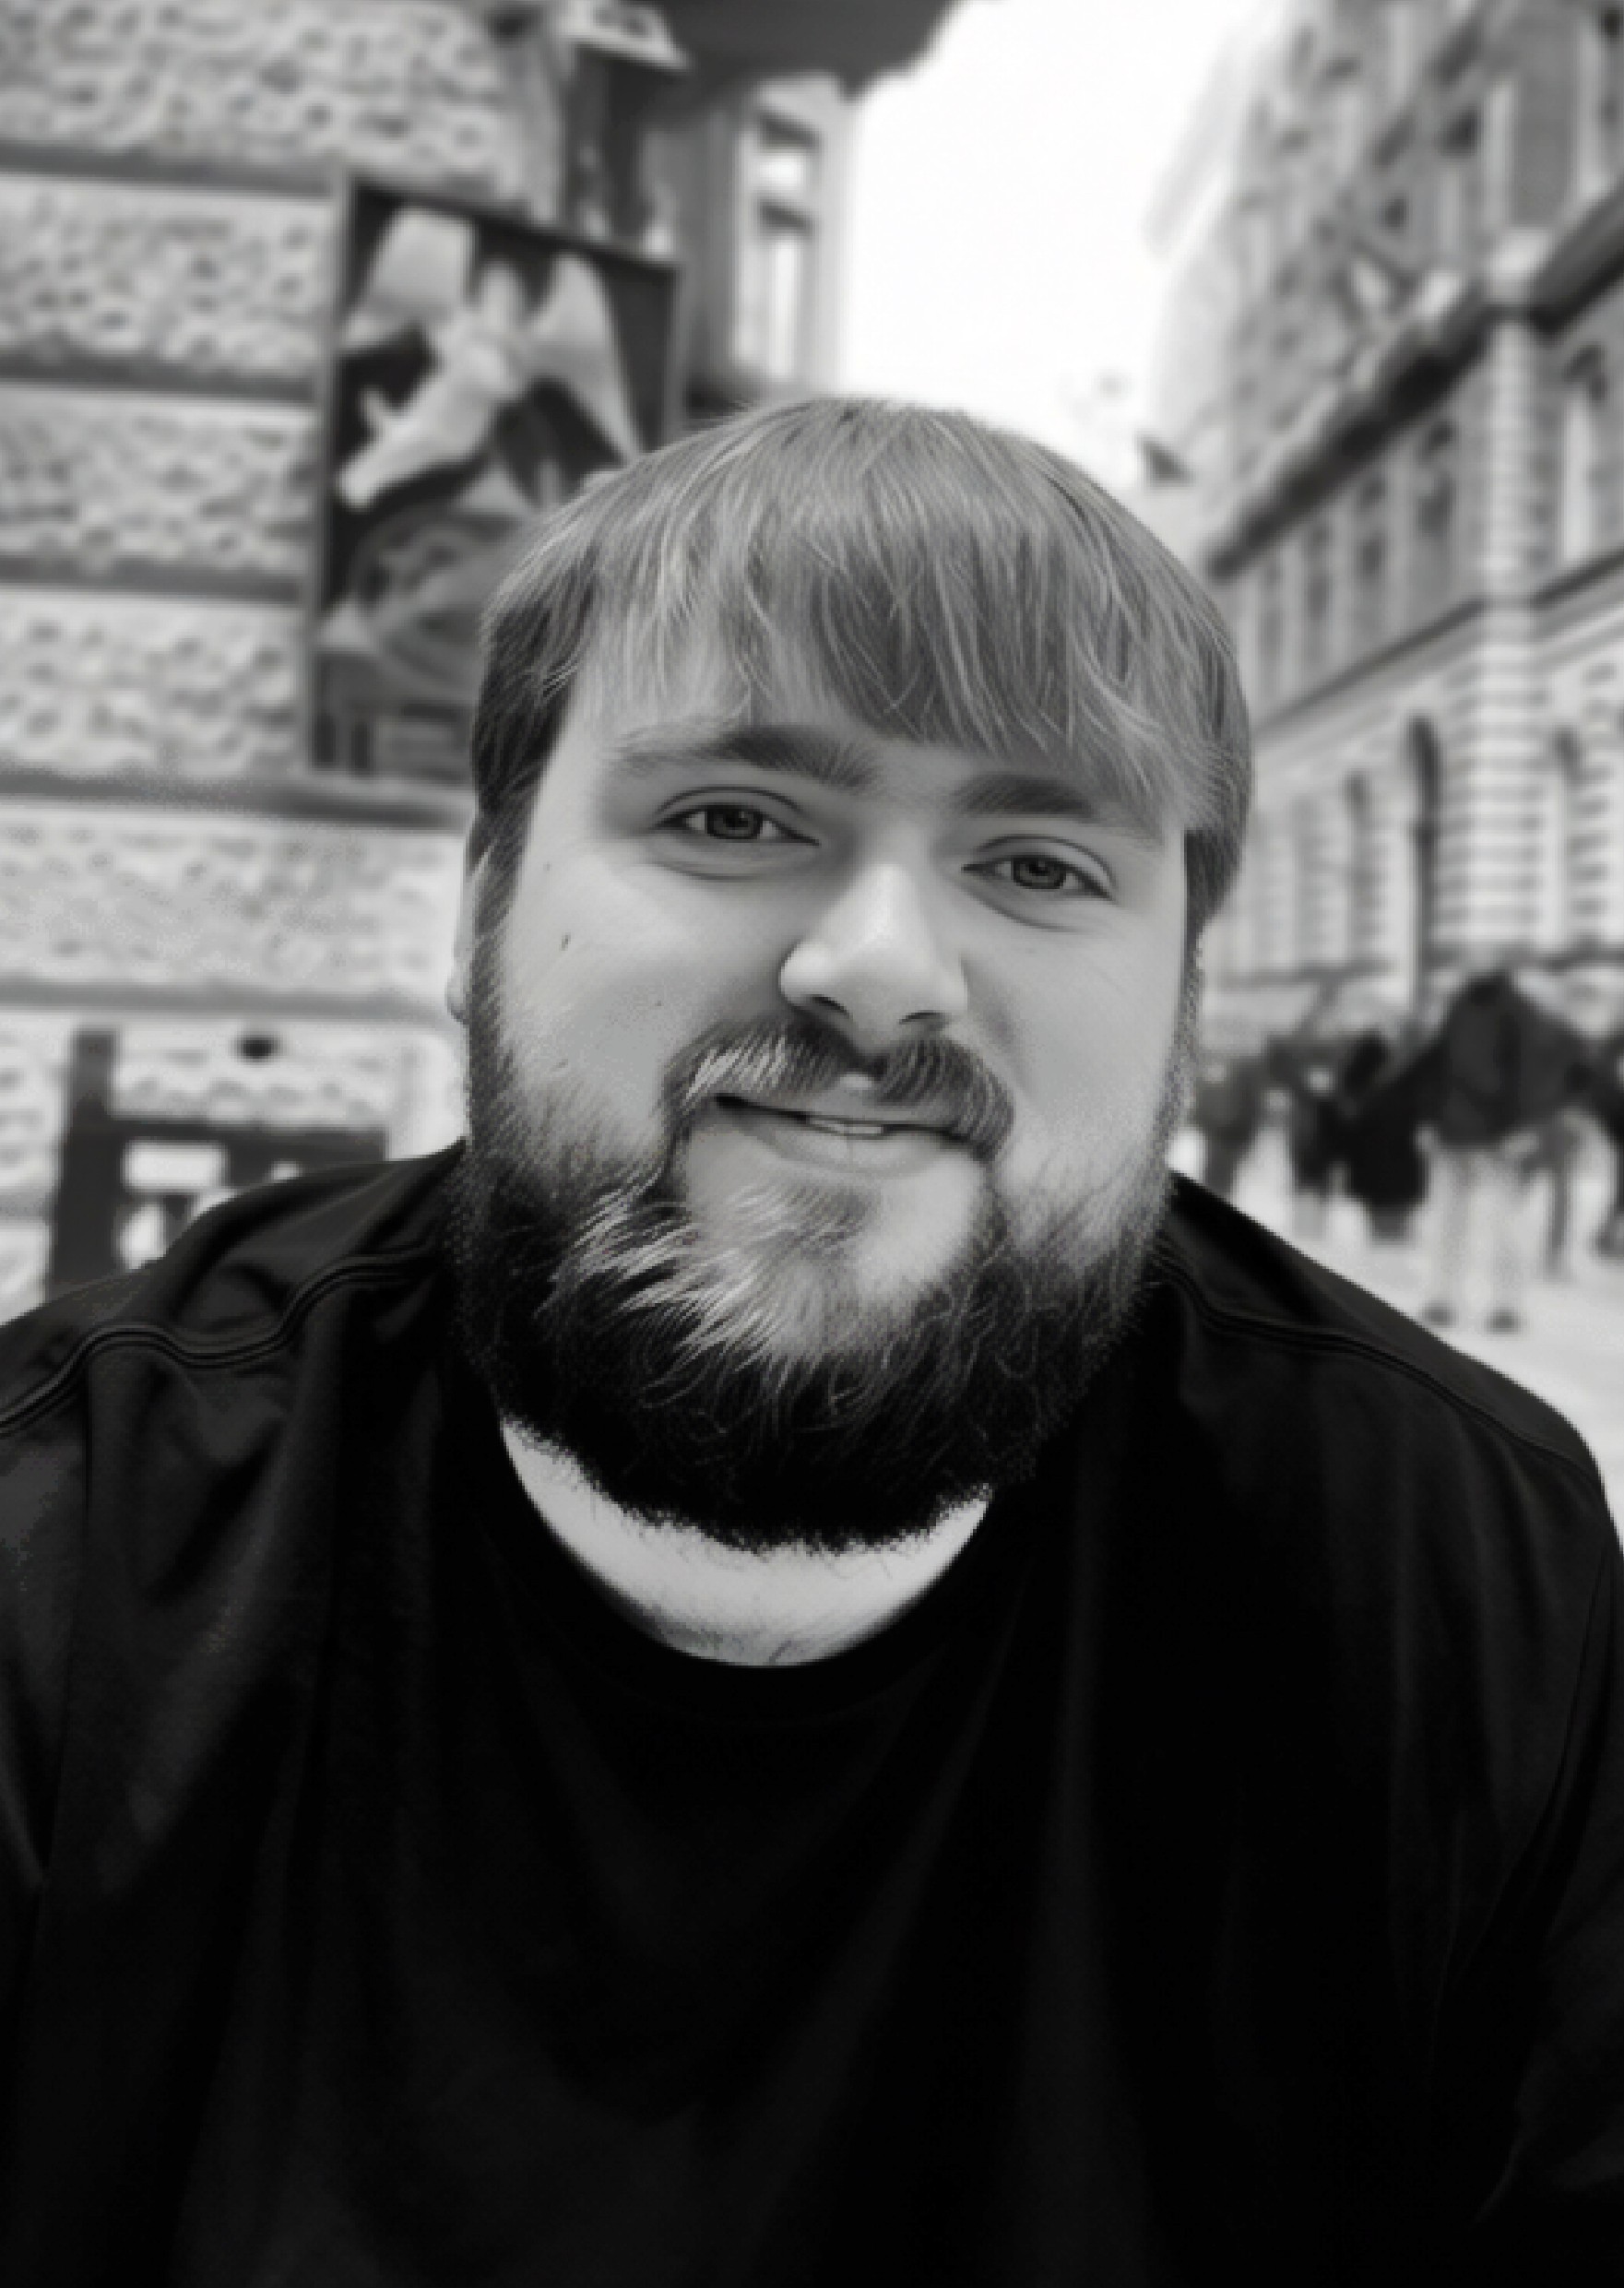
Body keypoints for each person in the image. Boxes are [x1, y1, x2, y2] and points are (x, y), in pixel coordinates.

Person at [0, 399, 1620, 2286]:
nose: (876, 962)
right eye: (731, 817)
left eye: (1036, 863)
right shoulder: (75, 1541)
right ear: (476, 913)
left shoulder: (1442, 1563)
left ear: (1185, 1011)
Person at [1414, 966, 1594, 1334]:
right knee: (1452, 1221)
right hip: (1456, 1131)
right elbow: (1438, 1066)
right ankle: (1443, 1298)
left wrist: (1523, 1128)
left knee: (1503, 1224)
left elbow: (1530, 1072)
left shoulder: (1516, 1010)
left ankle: (1505, 1304)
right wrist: (1428, 1118)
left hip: (1495, 1135)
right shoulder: (1461, 1005)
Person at [1332, 1025, 1429, 1245]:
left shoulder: (1352, 1100)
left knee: (1382, 1242)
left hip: (1374, 1184)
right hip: (1394, 1185)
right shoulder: (1389, 1098)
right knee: (1392, 1245)